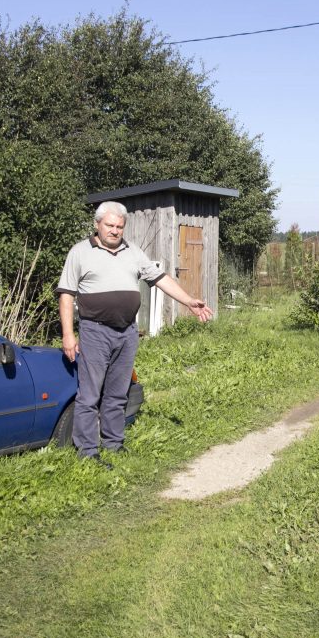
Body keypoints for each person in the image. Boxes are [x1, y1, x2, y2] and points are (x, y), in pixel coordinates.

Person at [56, 200, 213, 468]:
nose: (115, 231)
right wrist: (68, 335)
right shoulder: (80, 252)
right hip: (95, 332)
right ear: (97, 224)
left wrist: (188, 301)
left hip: (127, 332)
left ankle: (114, 444)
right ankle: (87, 451)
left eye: (119, 226)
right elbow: (67, 295)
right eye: (109, 225)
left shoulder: (133, 252)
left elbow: (160, 278)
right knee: (90, 395)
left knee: (118, 394)